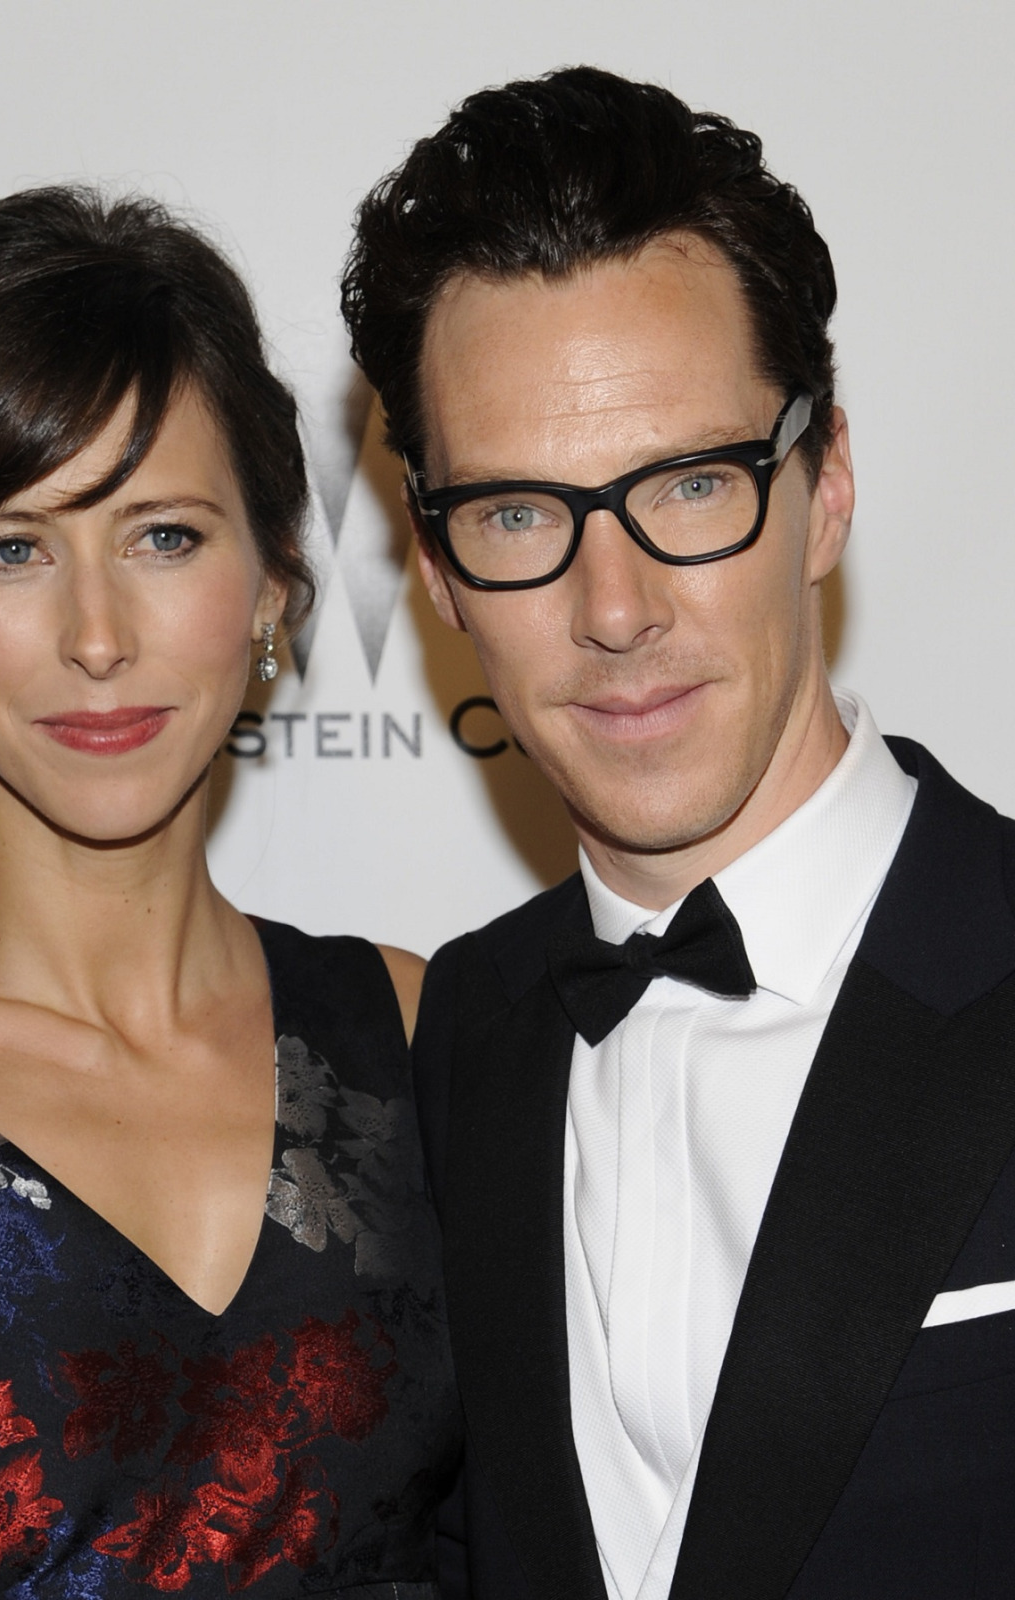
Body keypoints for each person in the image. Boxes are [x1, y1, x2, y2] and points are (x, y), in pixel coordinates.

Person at [341, 65, 1015, 1600]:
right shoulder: (447, 1047)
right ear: (435, 570)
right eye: (519, 513)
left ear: (826, 488)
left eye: (693, 485)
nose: (616, 609)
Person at [0, 186, 460, 1598]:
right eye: (10, 549)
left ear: (274, 584)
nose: (98, 637)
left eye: (163, 535)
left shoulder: (414, 1038)